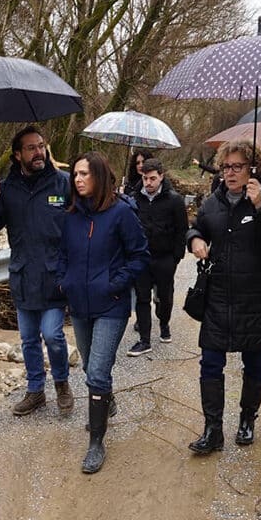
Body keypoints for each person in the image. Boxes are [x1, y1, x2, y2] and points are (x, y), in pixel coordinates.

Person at [186, 141, 261, 455]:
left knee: (255, 364)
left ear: (253, 168)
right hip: (219, 296)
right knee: (210, 363)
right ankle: (212, 429)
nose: (230, 173)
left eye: (238, 167)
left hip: (257, 298)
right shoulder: (213, 201)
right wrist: (195, 240)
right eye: (226, 167)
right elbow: (195, 228)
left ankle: (247, 419)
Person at [57, 151, 149, 474]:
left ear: (98, 176)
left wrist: (116, 283)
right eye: (76, 174)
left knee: (97, 371)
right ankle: (105, 400)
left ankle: (96, 442)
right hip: (80, 306)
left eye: (84, 174)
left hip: (111, 304)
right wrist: (63, 281)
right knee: (86, 363)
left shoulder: (121, 213)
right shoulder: (70, 215)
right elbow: (62, 254)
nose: (78, 179)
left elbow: (140, 255)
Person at [0, 125, 74, 417]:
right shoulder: (7, 189)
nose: (38, 152)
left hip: (54, 278)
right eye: (31, 148)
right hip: (23, 276)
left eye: (41, 146)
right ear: (17, 155)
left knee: (53, 336)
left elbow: (81, 224)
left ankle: (62, 385)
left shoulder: (62, 184)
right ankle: (35, 391)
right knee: (29, 339)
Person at [126, 158, 189, 356]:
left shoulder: (174, 200)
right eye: (145, 178)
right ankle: (144, 339)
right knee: (142, 298)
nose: (148, 183)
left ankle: (164, 323)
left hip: (165, 258)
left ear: (161, 177)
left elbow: (182, 230)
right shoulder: (134, 198)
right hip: (142, 258)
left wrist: (176, 257)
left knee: (164, 297)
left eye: (153, 178)